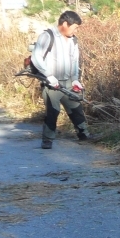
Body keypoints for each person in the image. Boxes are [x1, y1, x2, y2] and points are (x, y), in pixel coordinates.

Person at [32, 11, 94, 149]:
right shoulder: (47, 36)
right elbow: (36, 57)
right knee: (53, 111)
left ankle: (84, 134)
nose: (76, 30)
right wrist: (48, 75)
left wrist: (75, 79)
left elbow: (74, 61)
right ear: (65, 24)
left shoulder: (73, 40)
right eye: (75, 27)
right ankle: (47, 140)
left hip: (68, 82)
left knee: (76, 107)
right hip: (51, 83)